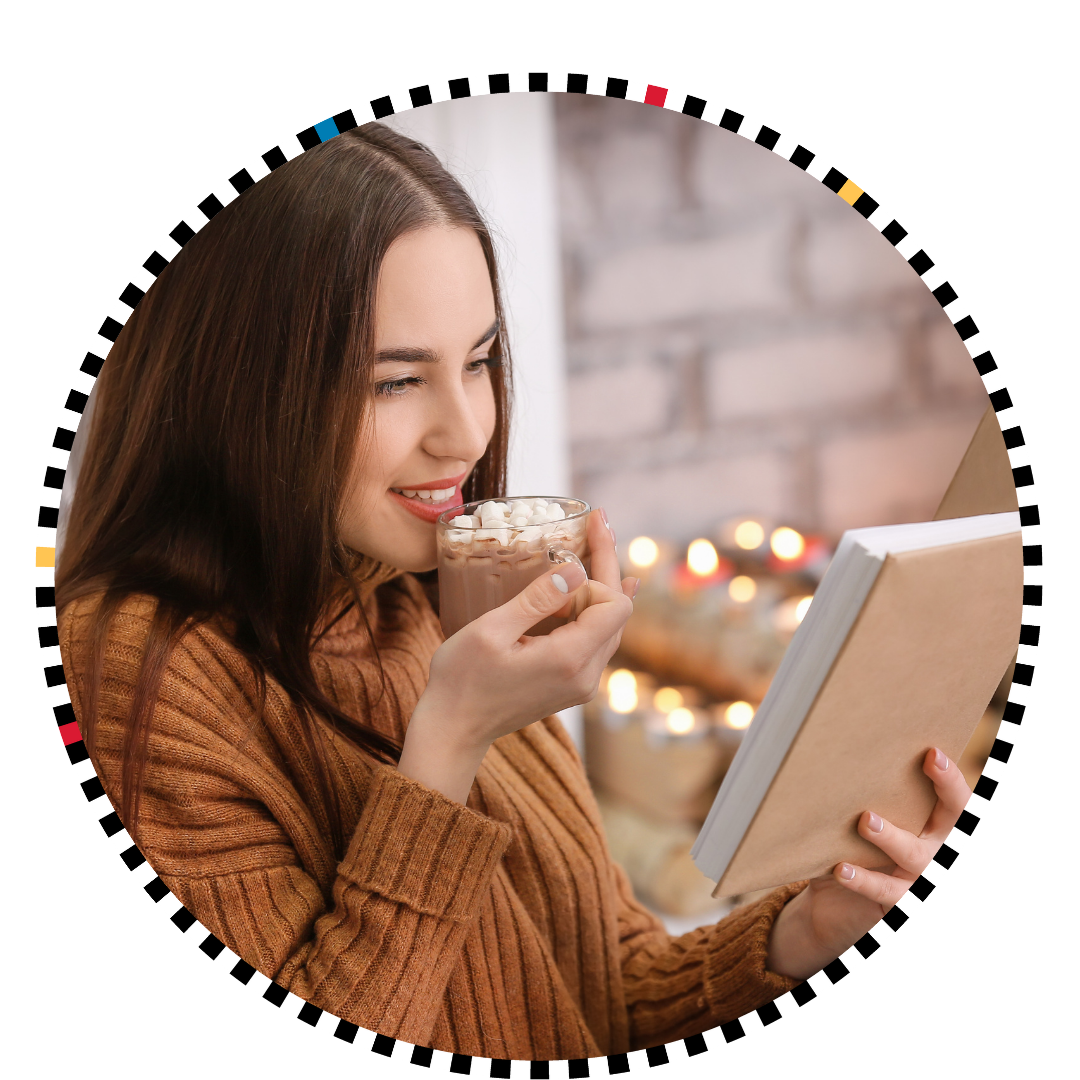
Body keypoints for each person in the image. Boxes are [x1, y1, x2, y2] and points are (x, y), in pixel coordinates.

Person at [56, 123, 972, 1060]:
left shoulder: (430, 596)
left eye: (480, 361)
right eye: (397, 381)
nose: (464, 433)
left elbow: (604, 991)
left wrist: (806, 933)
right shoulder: (137, 684)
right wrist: (449, 741)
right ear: (241, 392)